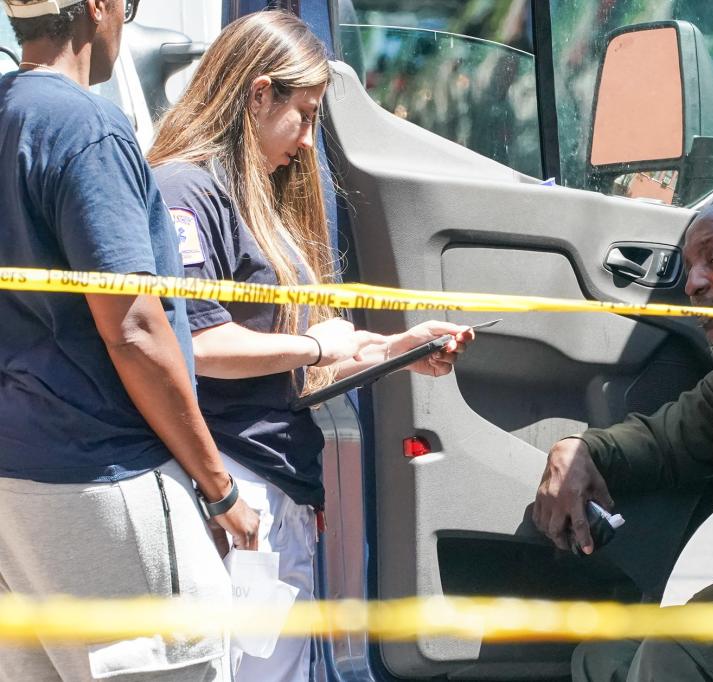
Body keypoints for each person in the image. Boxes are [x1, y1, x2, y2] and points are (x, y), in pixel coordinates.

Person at [147, 11, 474, 681]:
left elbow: (307, 348)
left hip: (276, 486)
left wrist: (395, 348)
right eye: (302, 115)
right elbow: (201, 344)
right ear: (257, 93)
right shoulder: (187, 187)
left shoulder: (259, 196)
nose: (304, 142)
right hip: (233, 482)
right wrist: (313, 350)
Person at [0, 1, 260, 680]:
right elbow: (136, 329)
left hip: (18, 483)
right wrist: (219, 486)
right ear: (97, 8)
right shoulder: (85, 127)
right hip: (105, 477)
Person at [532, 200, 713, 681]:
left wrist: (712, 602)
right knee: (605, 653)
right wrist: (579, 450)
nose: (692, 284)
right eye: (691, 268)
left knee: (676, 648)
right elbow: (665, 438)